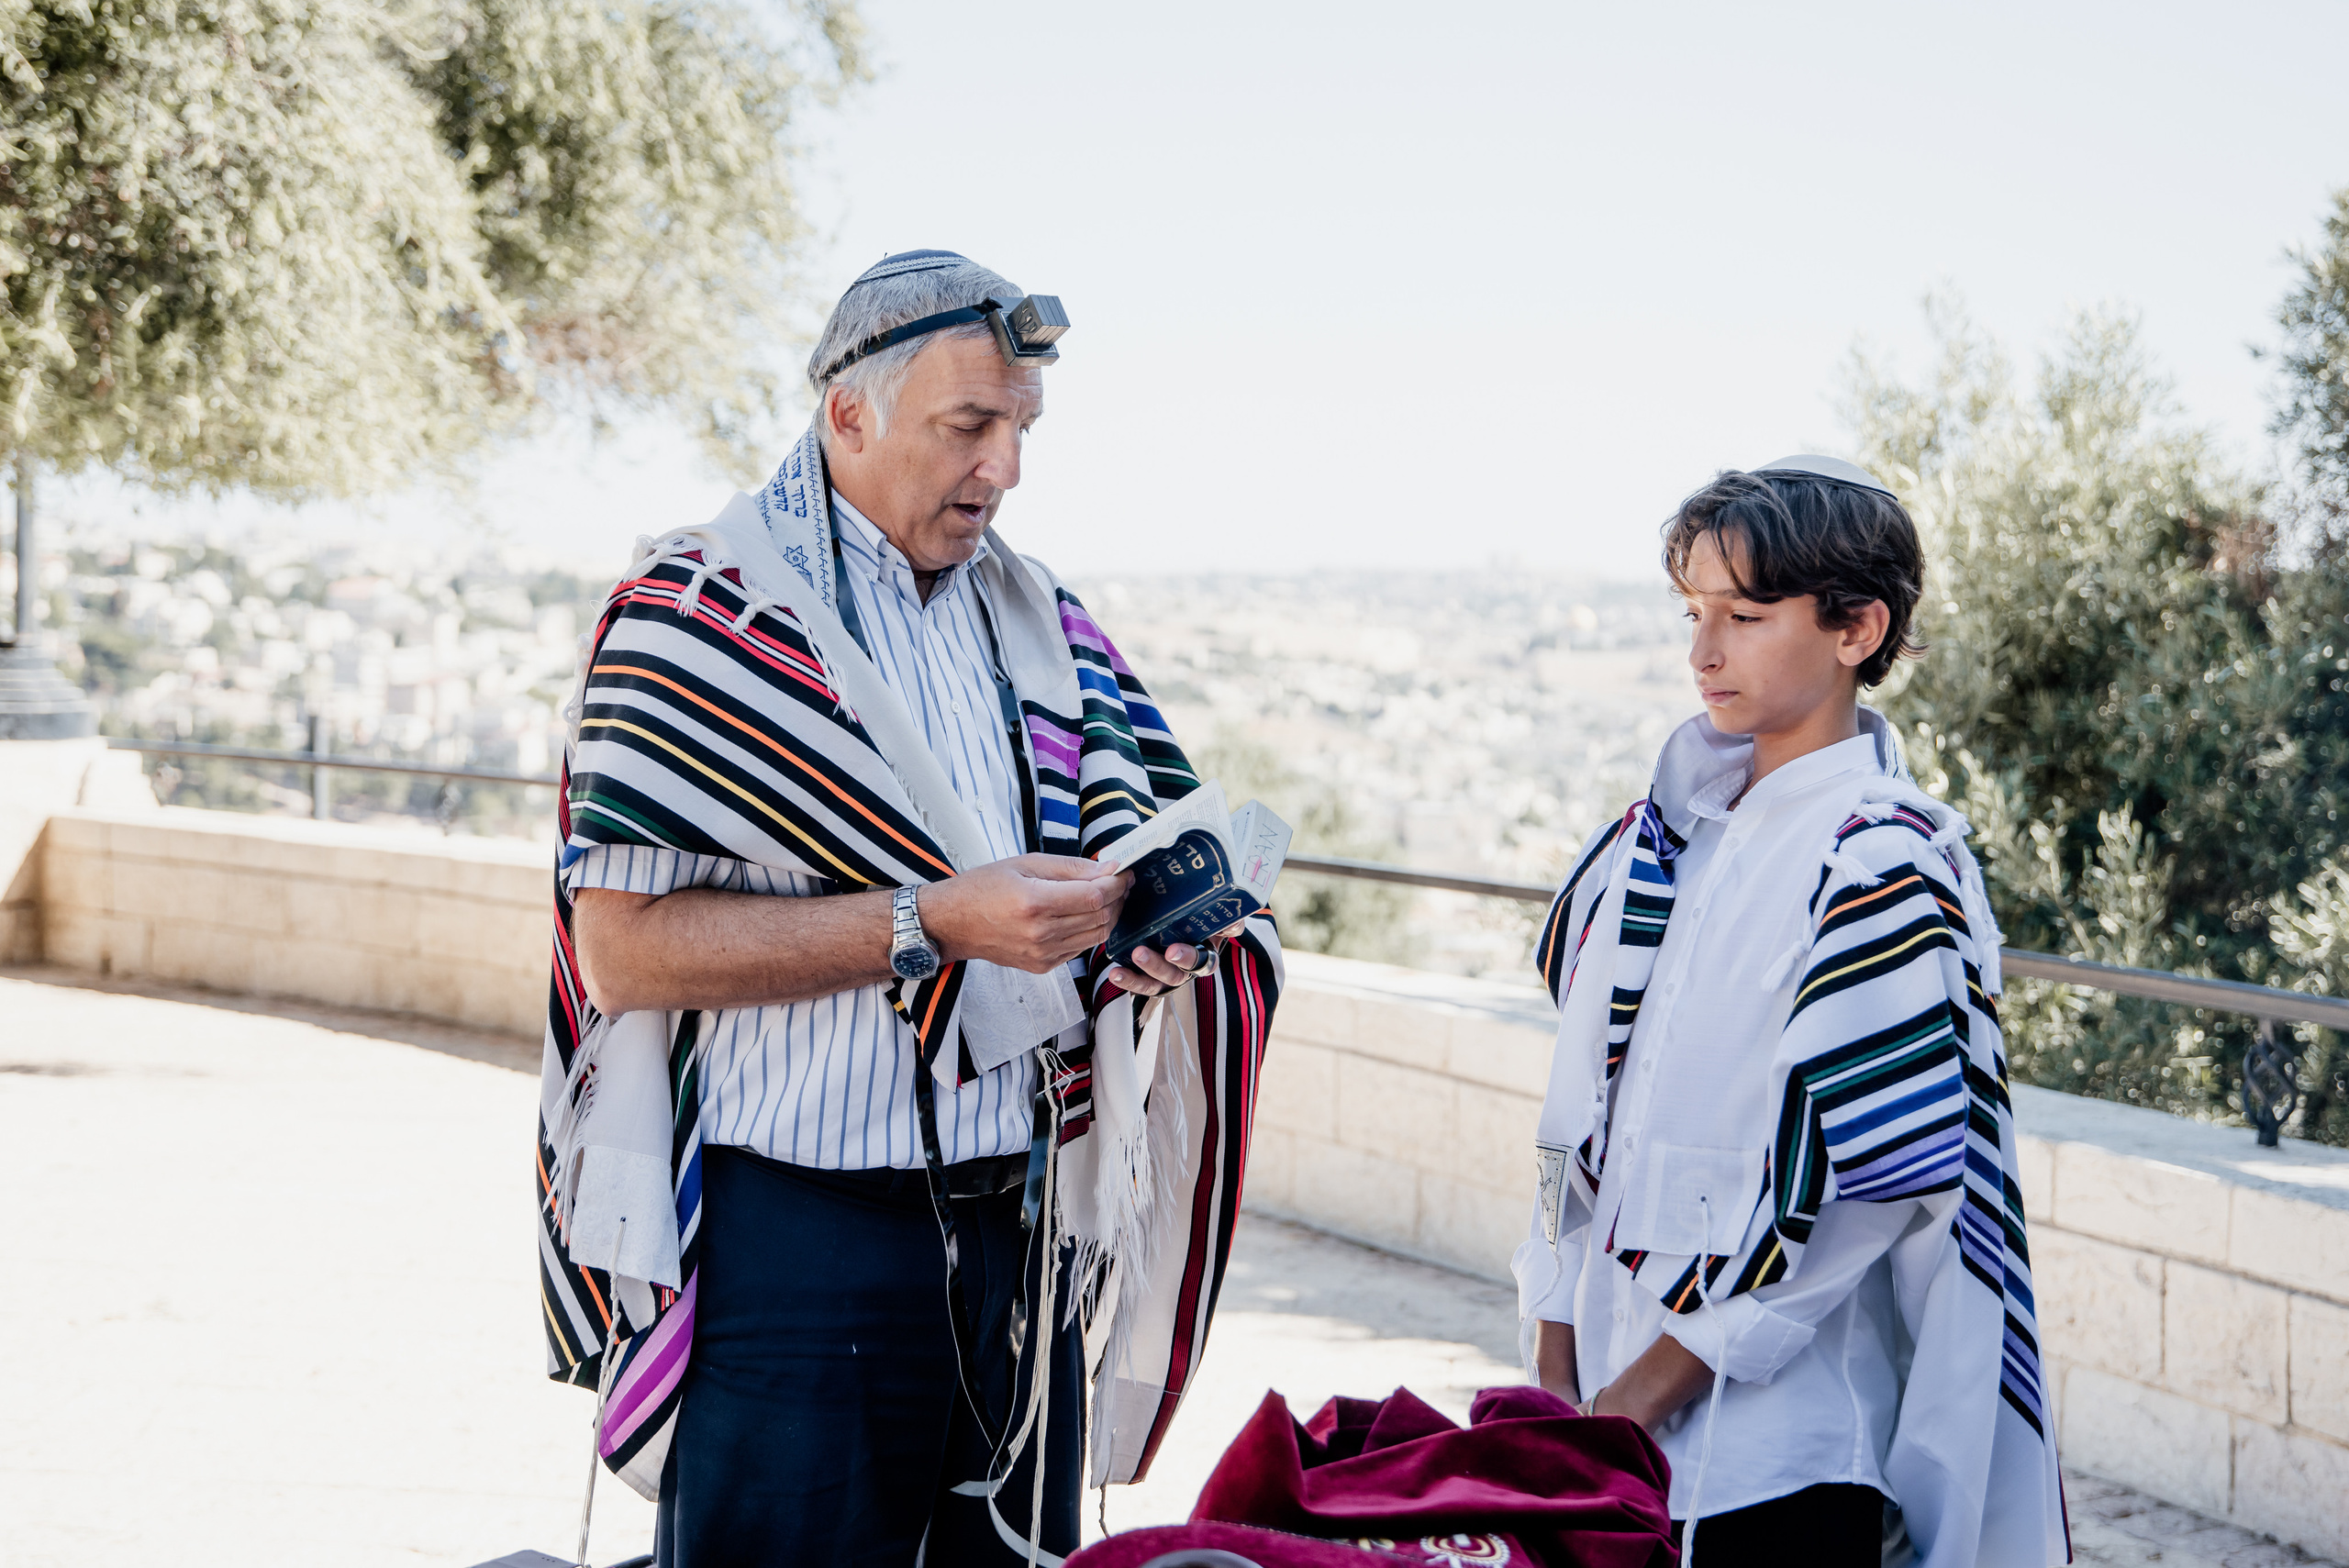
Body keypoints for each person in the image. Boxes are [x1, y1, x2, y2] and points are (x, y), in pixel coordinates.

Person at [530, 250, 1284, 1567]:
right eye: (968, 427)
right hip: (801, 1258)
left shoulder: (1040, 625)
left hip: (1020, 1245)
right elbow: (624, 949)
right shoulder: (701, 614)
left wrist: (1138, 937)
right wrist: (927, 921)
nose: (1001, 468)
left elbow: (1114, 848)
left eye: (1020, 431)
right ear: (848, 414)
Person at [1513, 458, 2069, 1568]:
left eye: (1746, 615)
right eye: (1694, 611)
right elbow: (1582, 1122)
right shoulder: (1660, 841)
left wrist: (1640, 1393)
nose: (1701, 652)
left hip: (1780, 1459)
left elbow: (1867, 1182)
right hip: (1602, 1428)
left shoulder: (1883, 860)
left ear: (1857, 626)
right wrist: (1558, 1371)